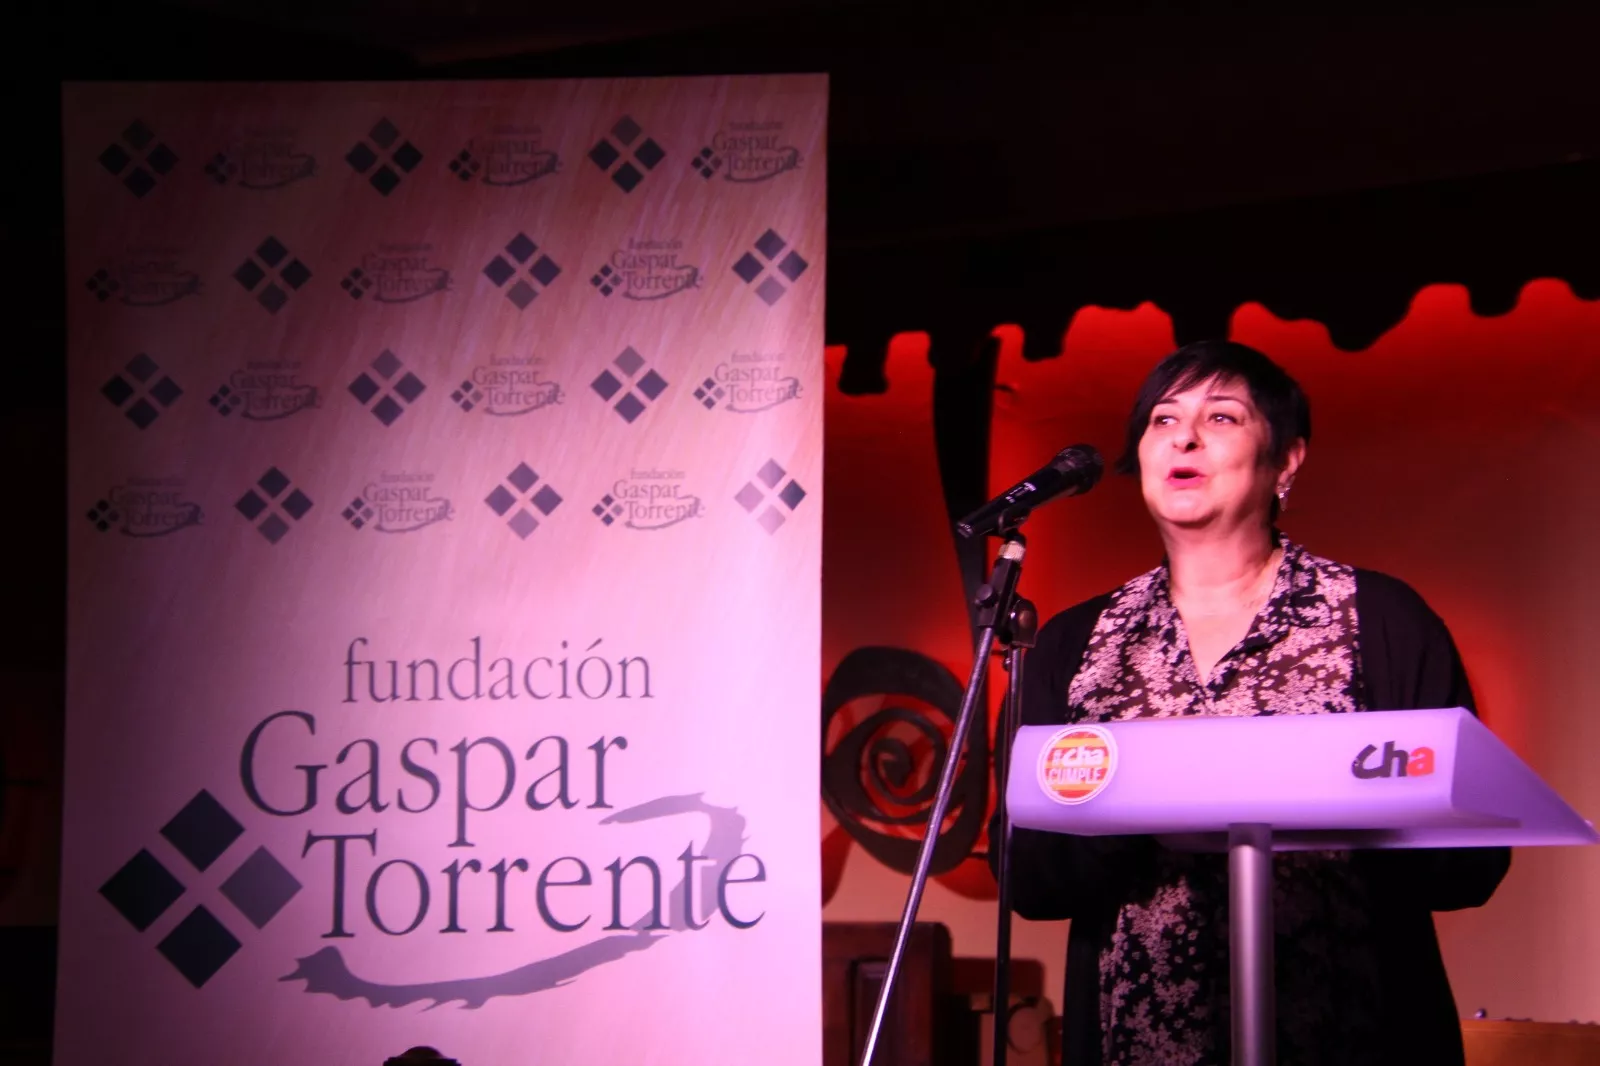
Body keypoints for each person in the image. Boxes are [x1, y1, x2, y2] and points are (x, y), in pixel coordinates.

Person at [994, 340, 1510, 1065]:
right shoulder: (1077, 643)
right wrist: (1145, 806)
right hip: (1137, 1040)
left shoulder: (1379, 618)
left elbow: (1472, 861)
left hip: (1350, 1031)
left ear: (1288, 459)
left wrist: (1320, 806)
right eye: (1162, 419)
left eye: (1223, 417)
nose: (1184, 436)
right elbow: (1032, 876)